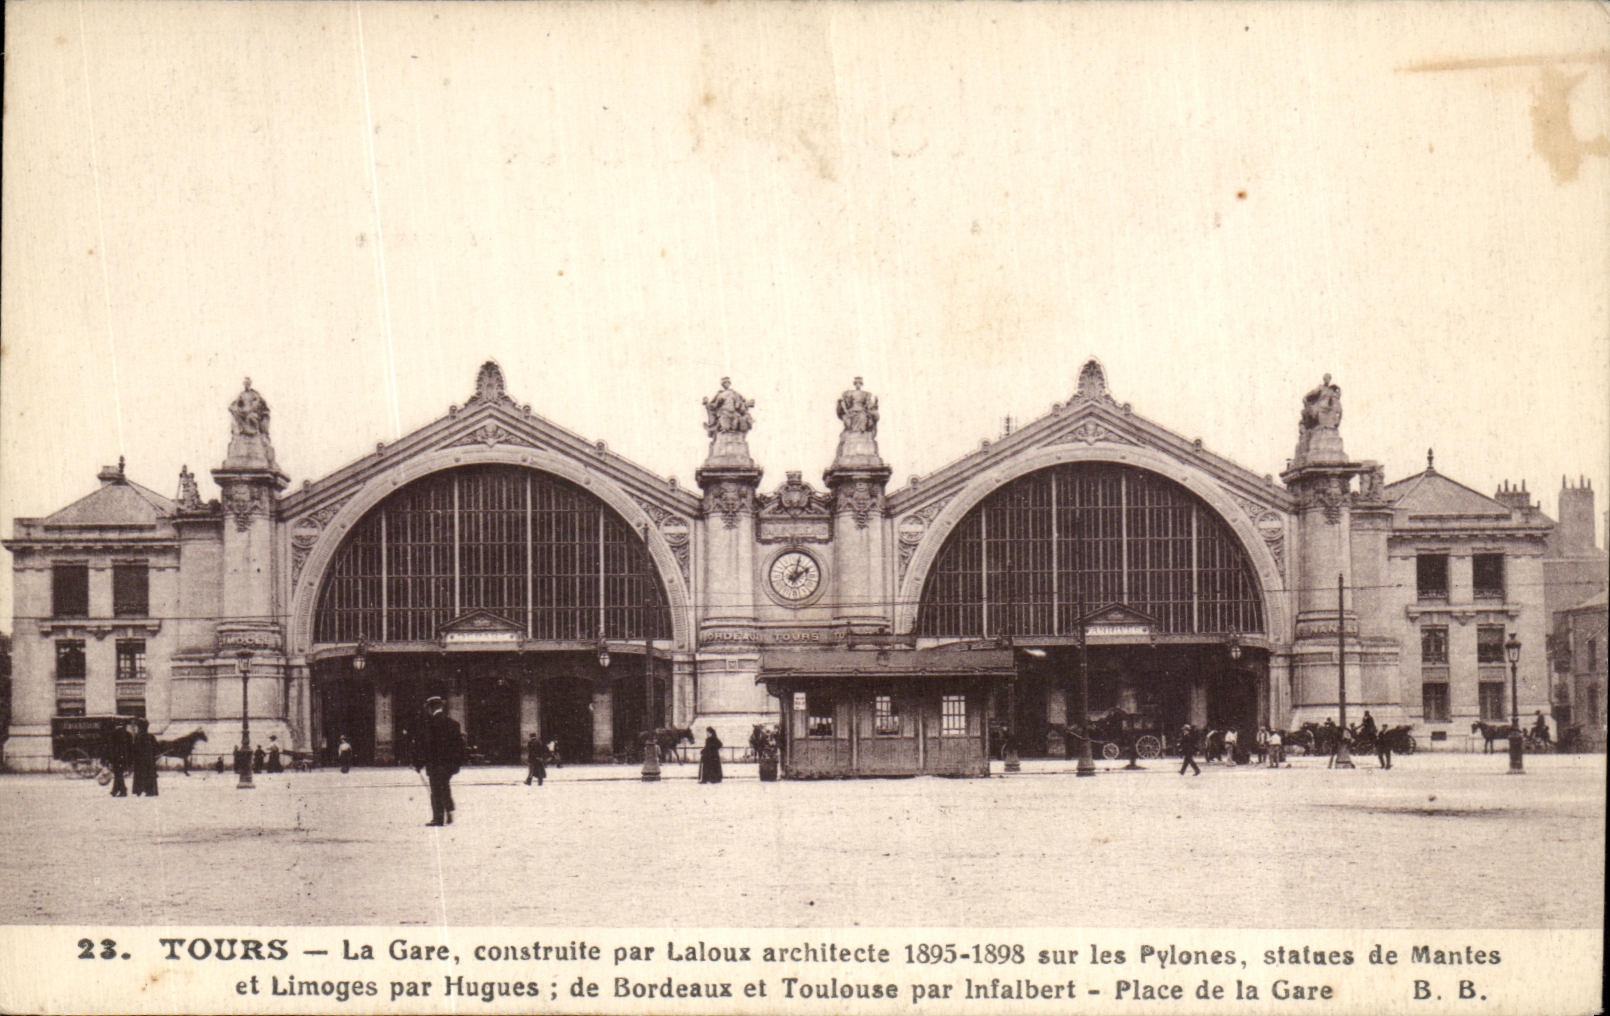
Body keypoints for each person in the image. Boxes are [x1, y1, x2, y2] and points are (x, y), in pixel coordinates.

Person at [415, 696, 464, 826]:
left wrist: (419, 763)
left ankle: (438, 818)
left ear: (431, 708)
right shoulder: (454, 724)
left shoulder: (430, 725)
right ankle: (449, 809)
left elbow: (426, 746)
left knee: (436, 790)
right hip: (448, 765)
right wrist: (456, 764)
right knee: (445, 786)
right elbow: (459, 746)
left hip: (435, 764)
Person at [130, 719, 159, 797]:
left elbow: (135, 749)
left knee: (140, 775)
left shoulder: (138, 736)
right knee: (149, 775)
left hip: (140, 761)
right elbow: (156, 748)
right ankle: (150, 790)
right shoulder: (151, 736)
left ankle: (139, 790)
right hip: (150, 760)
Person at [106, 720, 134, 797]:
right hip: (125, 757)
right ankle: (115, 790)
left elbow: (110, 747)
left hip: (116, 757)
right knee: (119, 774)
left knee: (118, 774)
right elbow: (131, 748)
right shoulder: (128, 735)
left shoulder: (113, 734)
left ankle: (122, 790)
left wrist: (108, 759)